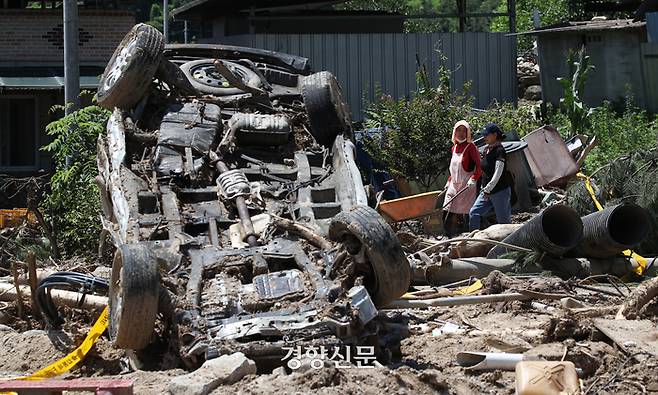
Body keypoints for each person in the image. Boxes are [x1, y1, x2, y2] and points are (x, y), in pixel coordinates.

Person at [469, 123, 513, 231]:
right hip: (486, 192)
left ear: (495, 135)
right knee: (474, 213)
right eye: (483, 135)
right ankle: (473, 241)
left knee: (504, 224)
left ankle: (508, 247)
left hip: (500, 191)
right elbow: (484, 171)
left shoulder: (499, 151)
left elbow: (498, 172)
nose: (484, 137)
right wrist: (481, 187)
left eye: (486, 135)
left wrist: (488, 188)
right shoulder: (486, 150)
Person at [443, 120, 481, 236]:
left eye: (464, 131)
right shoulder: (453, 148)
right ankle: (449, 236)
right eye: (458, 130)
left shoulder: (471, 147)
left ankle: (464, 235)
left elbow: (479, 166)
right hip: (454, 185)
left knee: (463, 212)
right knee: (447, 208)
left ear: (468, 133)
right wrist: (448, 181)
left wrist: (474, 179)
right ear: (455, 132)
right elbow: (453, 169)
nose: (461, 133)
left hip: (467, 185)